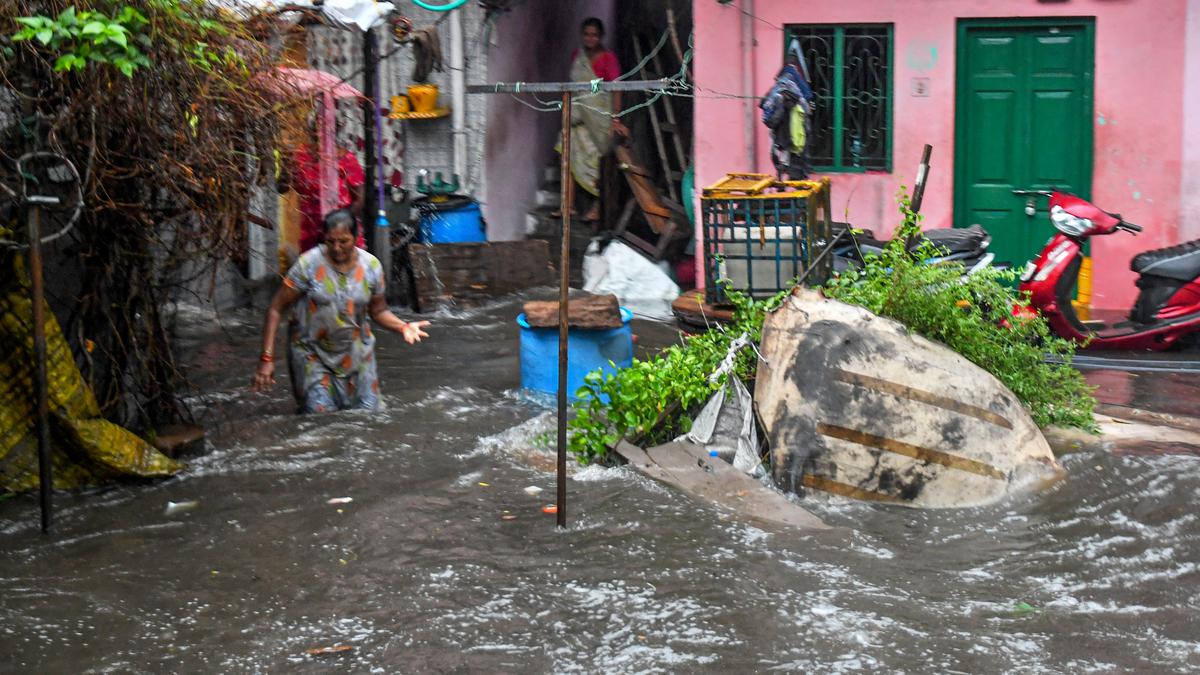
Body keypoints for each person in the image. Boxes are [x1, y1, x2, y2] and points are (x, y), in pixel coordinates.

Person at [252, 209, 430, 413]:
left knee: (369, 418)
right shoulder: (308, 264)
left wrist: (403, 326)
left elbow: (379, 311)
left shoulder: (371, 267)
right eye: (330, 241)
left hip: (358, 355)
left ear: (355, 238)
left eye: (343, 241)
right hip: (312, 354)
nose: (336, 248)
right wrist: (266, 358)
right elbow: (276, 308)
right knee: (319, 420)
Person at [556, 17, 629, 223]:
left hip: (600, 118)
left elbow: (616, 89)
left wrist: (615, 119)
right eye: (587, 34)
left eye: (594, 35)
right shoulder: (576, 56)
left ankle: (598, 207)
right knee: (565, 150)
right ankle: (567, 205)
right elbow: (573, 87)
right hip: (579, 116)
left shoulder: (608, 58)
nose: (590, 38)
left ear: (601, 37)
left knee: (599, 161)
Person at [281, 131, 366, 253]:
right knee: (314, 270)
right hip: (311, 235)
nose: (320, 133)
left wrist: (338, 223)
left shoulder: (345, 158)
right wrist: (284, 167)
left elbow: (359, 199)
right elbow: (282, 187)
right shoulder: (300, 156)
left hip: (342, 234)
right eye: (316, 129)